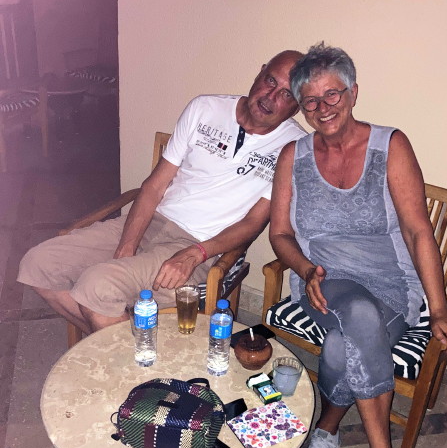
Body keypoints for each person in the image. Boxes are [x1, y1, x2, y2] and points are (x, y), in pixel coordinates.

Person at [269, 43, 447, 448]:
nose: (323, 108)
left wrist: (440, 309)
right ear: (302, 107)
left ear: (353, 92)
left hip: (392, 286)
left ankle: (328, 429)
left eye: (332, 94)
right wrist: (306, 270)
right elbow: (280, 234)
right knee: (355, 311)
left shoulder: (389, 146)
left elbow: (418, 231)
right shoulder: (293, 157)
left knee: (345, 341)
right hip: (323, 282)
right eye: (310, 101)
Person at [18, 50, 305, 334]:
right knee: (39, 264)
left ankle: (124, 353)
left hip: (200, 245)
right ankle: (125, 349)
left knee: (97, 287)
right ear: (260, 72)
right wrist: (127, 245)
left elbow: (253, 223)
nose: (271, 96)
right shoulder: (205, 108)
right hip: (151, 220)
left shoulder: (294, 148)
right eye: (271, 80)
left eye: (286, 94)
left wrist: (196, 253)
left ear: (296, 107)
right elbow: (154, 186)